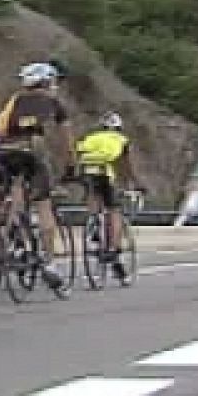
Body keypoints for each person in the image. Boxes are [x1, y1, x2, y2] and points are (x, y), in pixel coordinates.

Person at [0, 62, 75, 288]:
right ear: (47, 82)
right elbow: (66, 139)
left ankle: (13, 241)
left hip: (5, 153)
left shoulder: (14, 100)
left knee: (17, 193)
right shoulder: (53, 102)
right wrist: (70, 165)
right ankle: (49, 263)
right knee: (43, 206)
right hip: (31, 153)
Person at [75, 111, 138, 281]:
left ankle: (93, 222)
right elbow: (126, 166)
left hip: (87, 171)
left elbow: (78, 152)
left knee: (93, 195)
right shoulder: (121, 140)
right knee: (114, 210)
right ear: (119, 128)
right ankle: (113, 249)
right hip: (105, 174)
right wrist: (136, 184)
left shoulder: (92, 137)